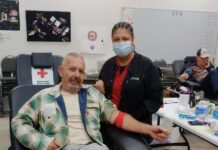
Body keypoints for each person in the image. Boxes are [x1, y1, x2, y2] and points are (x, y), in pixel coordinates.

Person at [11, 53, 169, 150]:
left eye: (81, 71)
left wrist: (147, 129)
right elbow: (19, 121)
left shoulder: (93, 95)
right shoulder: (44, 97)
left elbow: (118, 117)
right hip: (61, 147)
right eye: (72, 69)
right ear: (60, 71)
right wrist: (41, 142)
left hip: (92, 146)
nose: (77, 75)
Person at [95, 22, 163, 149]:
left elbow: (155, 99)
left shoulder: (147, 66)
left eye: (125, 39)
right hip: (109, 126)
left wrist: (132, 118)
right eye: (116, 39)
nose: (121, 42)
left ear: (133, 40)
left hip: (137, 127)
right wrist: (99, 84)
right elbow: (101, 94)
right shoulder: (108, 65)